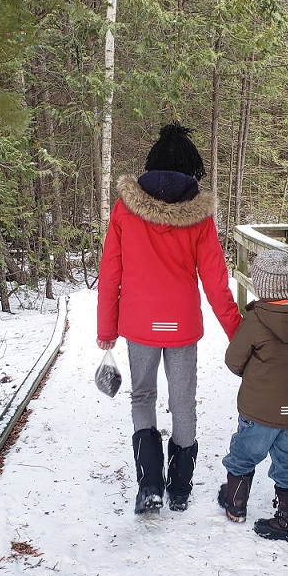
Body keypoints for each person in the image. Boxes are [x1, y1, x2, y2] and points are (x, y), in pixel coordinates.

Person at [97, 123, 241, 514]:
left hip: (139, 323)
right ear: (189, 167)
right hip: (181, 325)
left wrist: (106, 328)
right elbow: (215, 280)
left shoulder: (126, 208)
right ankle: (179, 488)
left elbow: (110, 270)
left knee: (142, 396)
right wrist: (238, 333)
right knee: (183, 403)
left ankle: (149, 484)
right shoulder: (198, 216)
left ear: (153, 162)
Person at [218, 249, 288, 544]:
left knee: (243, 454)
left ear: (261, 286)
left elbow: (234, 361)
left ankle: (235, 504)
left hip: (259, 411)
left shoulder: (256, 320)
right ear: (287, 284)